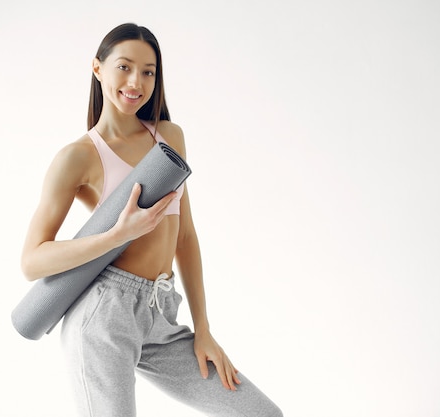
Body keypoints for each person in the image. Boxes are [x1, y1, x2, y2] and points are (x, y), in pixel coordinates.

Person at [20, 23, 282, 417]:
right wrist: (115, 236)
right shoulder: (77, 156)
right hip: (103, 316)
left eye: (148, 71)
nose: (136, 82)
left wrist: (203, 329)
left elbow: (185, 238)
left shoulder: (169, 138)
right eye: (124, 67)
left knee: (259, 413)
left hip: (161, 311)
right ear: (97, 68)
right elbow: (32, 261)